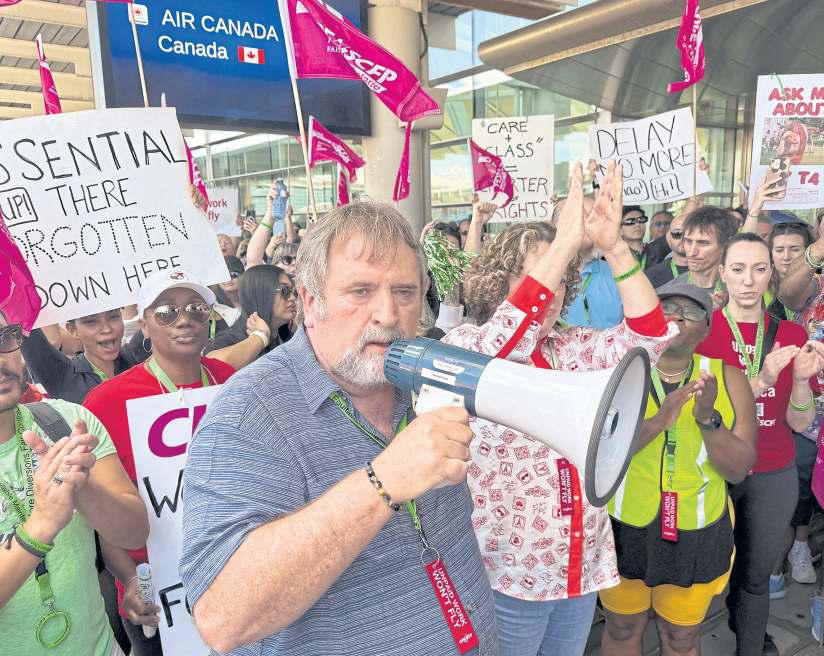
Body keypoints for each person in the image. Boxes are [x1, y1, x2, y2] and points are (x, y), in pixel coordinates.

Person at [180, 201, 497, 655]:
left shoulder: (423, 377)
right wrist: (382, 483)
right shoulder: (249, 413)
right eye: (361, 291)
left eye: (405, 292)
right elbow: (223, 617)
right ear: (310, 301)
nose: (388, 314)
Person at [445, 162, 676, 656]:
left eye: (557, 280)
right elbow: (502, 351)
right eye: (533, 280)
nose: (549, 297)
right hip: (510, 576)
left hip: (581, 564)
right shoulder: (466, 344)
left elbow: (651, 336)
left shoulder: (573, 347)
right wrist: (564, 243)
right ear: (495, 281)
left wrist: (614, 248)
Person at [83, 269, 236, 656]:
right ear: (145, 327)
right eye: (166, 311)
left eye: (196, 310)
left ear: (210, 320)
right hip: (159, 598)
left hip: (232, 578)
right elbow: (106, 516)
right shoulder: (106, 402)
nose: (184, 319)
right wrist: (131, 581)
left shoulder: (231, 383)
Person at [601, 282, 758, 656]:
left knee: (682, 636)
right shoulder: (616, 373)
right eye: (666, 307)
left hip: (696, 529)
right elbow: (601, 455)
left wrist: (707, 419)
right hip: (621, 524)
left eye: (690, 313)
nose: (675, 317)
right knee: (622, 628)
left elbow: (738, 470)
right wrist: (660, 420)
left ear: (706, 329)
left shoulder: (729, 379)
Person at [697, 233, 823, 655]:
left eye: (759, 268)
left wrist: (802, 379)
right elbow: (706, 411)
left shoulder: (789, 331)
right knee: (708, 572)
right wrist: (764, 379)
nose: (748, 281)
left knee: (755, 574)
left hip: (773, 469)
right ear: (722, 274)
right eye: (738, 269)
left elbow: (799, 419)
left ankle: (750, 643)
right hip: (713, 469)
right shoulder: (704, 331)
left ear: (772, 272)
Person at [0, 312, 149, 656]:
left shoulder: (65, 421)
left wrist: (84, 488)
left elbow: (134, 532)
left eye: (3, 339)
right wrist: (41, 526)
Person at [763, 220, 819, 599]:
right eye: (778, 249)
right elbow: (789, 293)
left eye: (794, 250)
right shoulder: (782, 288)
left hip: (809, 400)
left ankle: (800, 546)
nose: (785, 257)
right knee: (793, 484)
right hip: (785, 400)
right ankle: (776, 561)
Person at [776, 213, 824, 640]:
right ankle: (794, 547)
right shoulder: (814, 280)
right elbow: (788, 294)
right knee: (800, 488)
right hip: (810, 412)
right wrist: (817, 251)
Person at [21, 310, 148, 404]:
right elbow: (23, 324)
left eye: (113, 317)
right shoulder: (61, 376)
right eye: (91, 322)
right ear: (72, 330)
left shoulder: (139, 357)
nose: (106, 329)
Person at [553, 195, 624, 329]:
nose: (596, 225)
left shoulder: (618, 274)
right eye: (587, 217)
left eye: (599, 219)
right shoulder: (540, 275)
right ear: (559, 226)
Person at [208, 264, 297, 369]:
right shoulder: (226, 341)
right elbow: (211, 367)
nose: (292, 297)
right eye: (284, 290)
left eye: (294, 292)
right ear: (260, 294)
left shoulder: (287, 335)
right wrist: (260, 337)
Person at [673, 206, 739, 305]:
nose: (692, 252)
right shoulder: (669, 293)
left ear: (724, 246)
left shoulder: (742, 291)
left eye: (703, 243)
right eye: (688, 241)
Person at [645, 210, 690, 288]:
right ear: (668, 238)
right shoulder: (650, 275)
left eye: (689, 233)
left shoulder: (712, 271)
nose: (683, 238)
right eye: (677, 233)